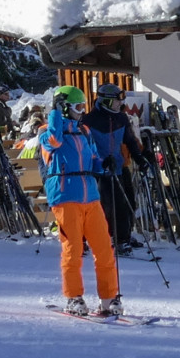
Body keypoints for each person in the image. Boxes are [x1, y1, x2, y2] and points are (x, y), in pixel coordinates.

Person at [38, 85, 122, 317]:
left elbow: (93, 158)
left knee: (104, 249)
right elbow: (53, 141)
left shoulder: (84, 131)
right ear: (63, 107)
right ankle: (74, 297)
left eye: (83, 106)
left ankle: (108, 298)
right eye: (77, 106)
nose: (82, 111)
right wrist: (55, 113)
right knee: (73, 249)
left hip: (90, 196)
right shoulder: (46, 131)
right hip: (65, 196)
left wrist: (104, 165)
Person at [81, 82, 143, 252]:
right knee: (108, 205)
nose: (120, 104)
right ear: (106, 101)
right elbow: (84, 148)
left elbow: (129, 140)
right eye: (117, 101)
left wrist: (140, 158)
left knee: (128, 201)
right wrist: (98, 161)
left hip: (119, 165)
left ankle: (124, 235)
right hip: (100, 169)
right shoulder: (89, 120)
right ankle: (110, 238)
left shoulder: (121, 117)